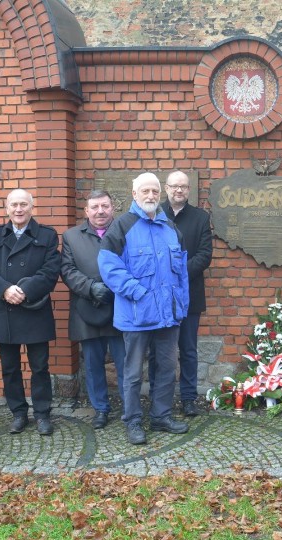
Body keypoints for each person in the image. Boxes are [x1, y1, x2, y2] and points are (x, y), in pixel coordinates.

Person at [99, 172, 190, 445]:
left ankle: (161, 417)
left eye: (154, 191)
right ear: (134, 193)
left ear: (160, 194)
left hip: (167, 316)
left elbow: (181, 272)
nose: (150, 196)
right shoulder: (122, 226)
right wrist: (137, 291)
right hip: (137, 315)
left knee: (165, 369)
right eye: (145, 191)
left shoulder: (171, 228)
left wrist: (181, 304)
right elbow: (108, 267)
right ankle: (133, 421)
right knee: (133, 373)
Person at [0, 189, 60, 436]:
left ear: (31, 207)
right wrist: (5, 289)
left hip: (33, 308)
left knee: (39, 367)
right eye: (13, 205)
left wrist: (24, 290)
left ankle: (43, 414)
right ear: (7, 208)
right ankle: (18, 413)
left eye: (23, 204)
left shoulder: (47, 235)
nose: (18, 209)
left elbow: (50, 271)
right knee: (10, 367)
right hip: (3, 309)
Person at [148, 171, 213, 416]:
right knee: (157, 350)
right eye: (174, 186)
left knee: (187, 349)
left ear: (189, 190)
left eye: (183, 187)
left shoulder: (200, 217)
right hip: (159, 296)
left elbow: (204, 256)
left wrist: (177, 274)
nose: (179, 191)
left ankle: (188, 398)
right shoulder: (154, 214)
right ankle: (156, 396)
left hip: (190, 295)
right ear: (166, 188)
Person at [60, 189, 126, 429]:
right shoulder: (71, 236)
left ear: (113, 208)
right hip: (87, 309)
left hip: (120, 308)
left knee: (124, 363)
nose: (100, 211)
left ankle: (130, 408)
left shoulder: (125, 231)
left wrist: (114, 287)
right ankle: (100, 408)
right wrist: (90, 288)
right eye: (95, 207)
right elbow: (67, 270)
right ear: (86, 211)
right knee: (93, 363)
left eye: (105, 206)